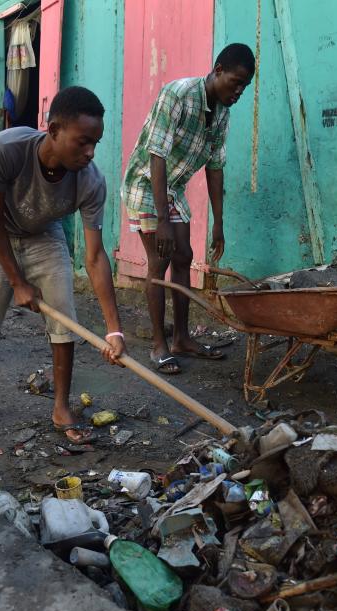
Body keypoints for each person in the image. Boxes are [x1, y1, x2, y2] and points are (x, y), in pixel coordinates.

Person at [0, 86, 126, 444]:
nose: (90, 152)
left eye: (95, 142)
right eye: (82, 142)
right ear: (53, 130)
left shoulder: (91, 182)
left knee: (63, 311)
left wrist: (114, 330)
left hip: (45, 235)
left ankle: (61, 405)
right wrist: (17, 281)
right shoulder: (7, 150)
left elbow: (95, 257)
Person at [121, 43, 255, 375]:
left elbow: (215, 167)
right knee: (161, 259)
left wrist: (219, 222)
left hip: (172, 189)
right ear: (218, 69)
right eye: (234, 82)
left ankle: (182, 337)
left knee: (183, 256)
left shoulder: (223, 112)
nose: (238, 91)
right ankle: (158, 345)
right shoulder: (178, 94)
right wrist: (163, 220)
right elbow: (157, 155)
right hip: (145, 182)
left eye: (244, 86)